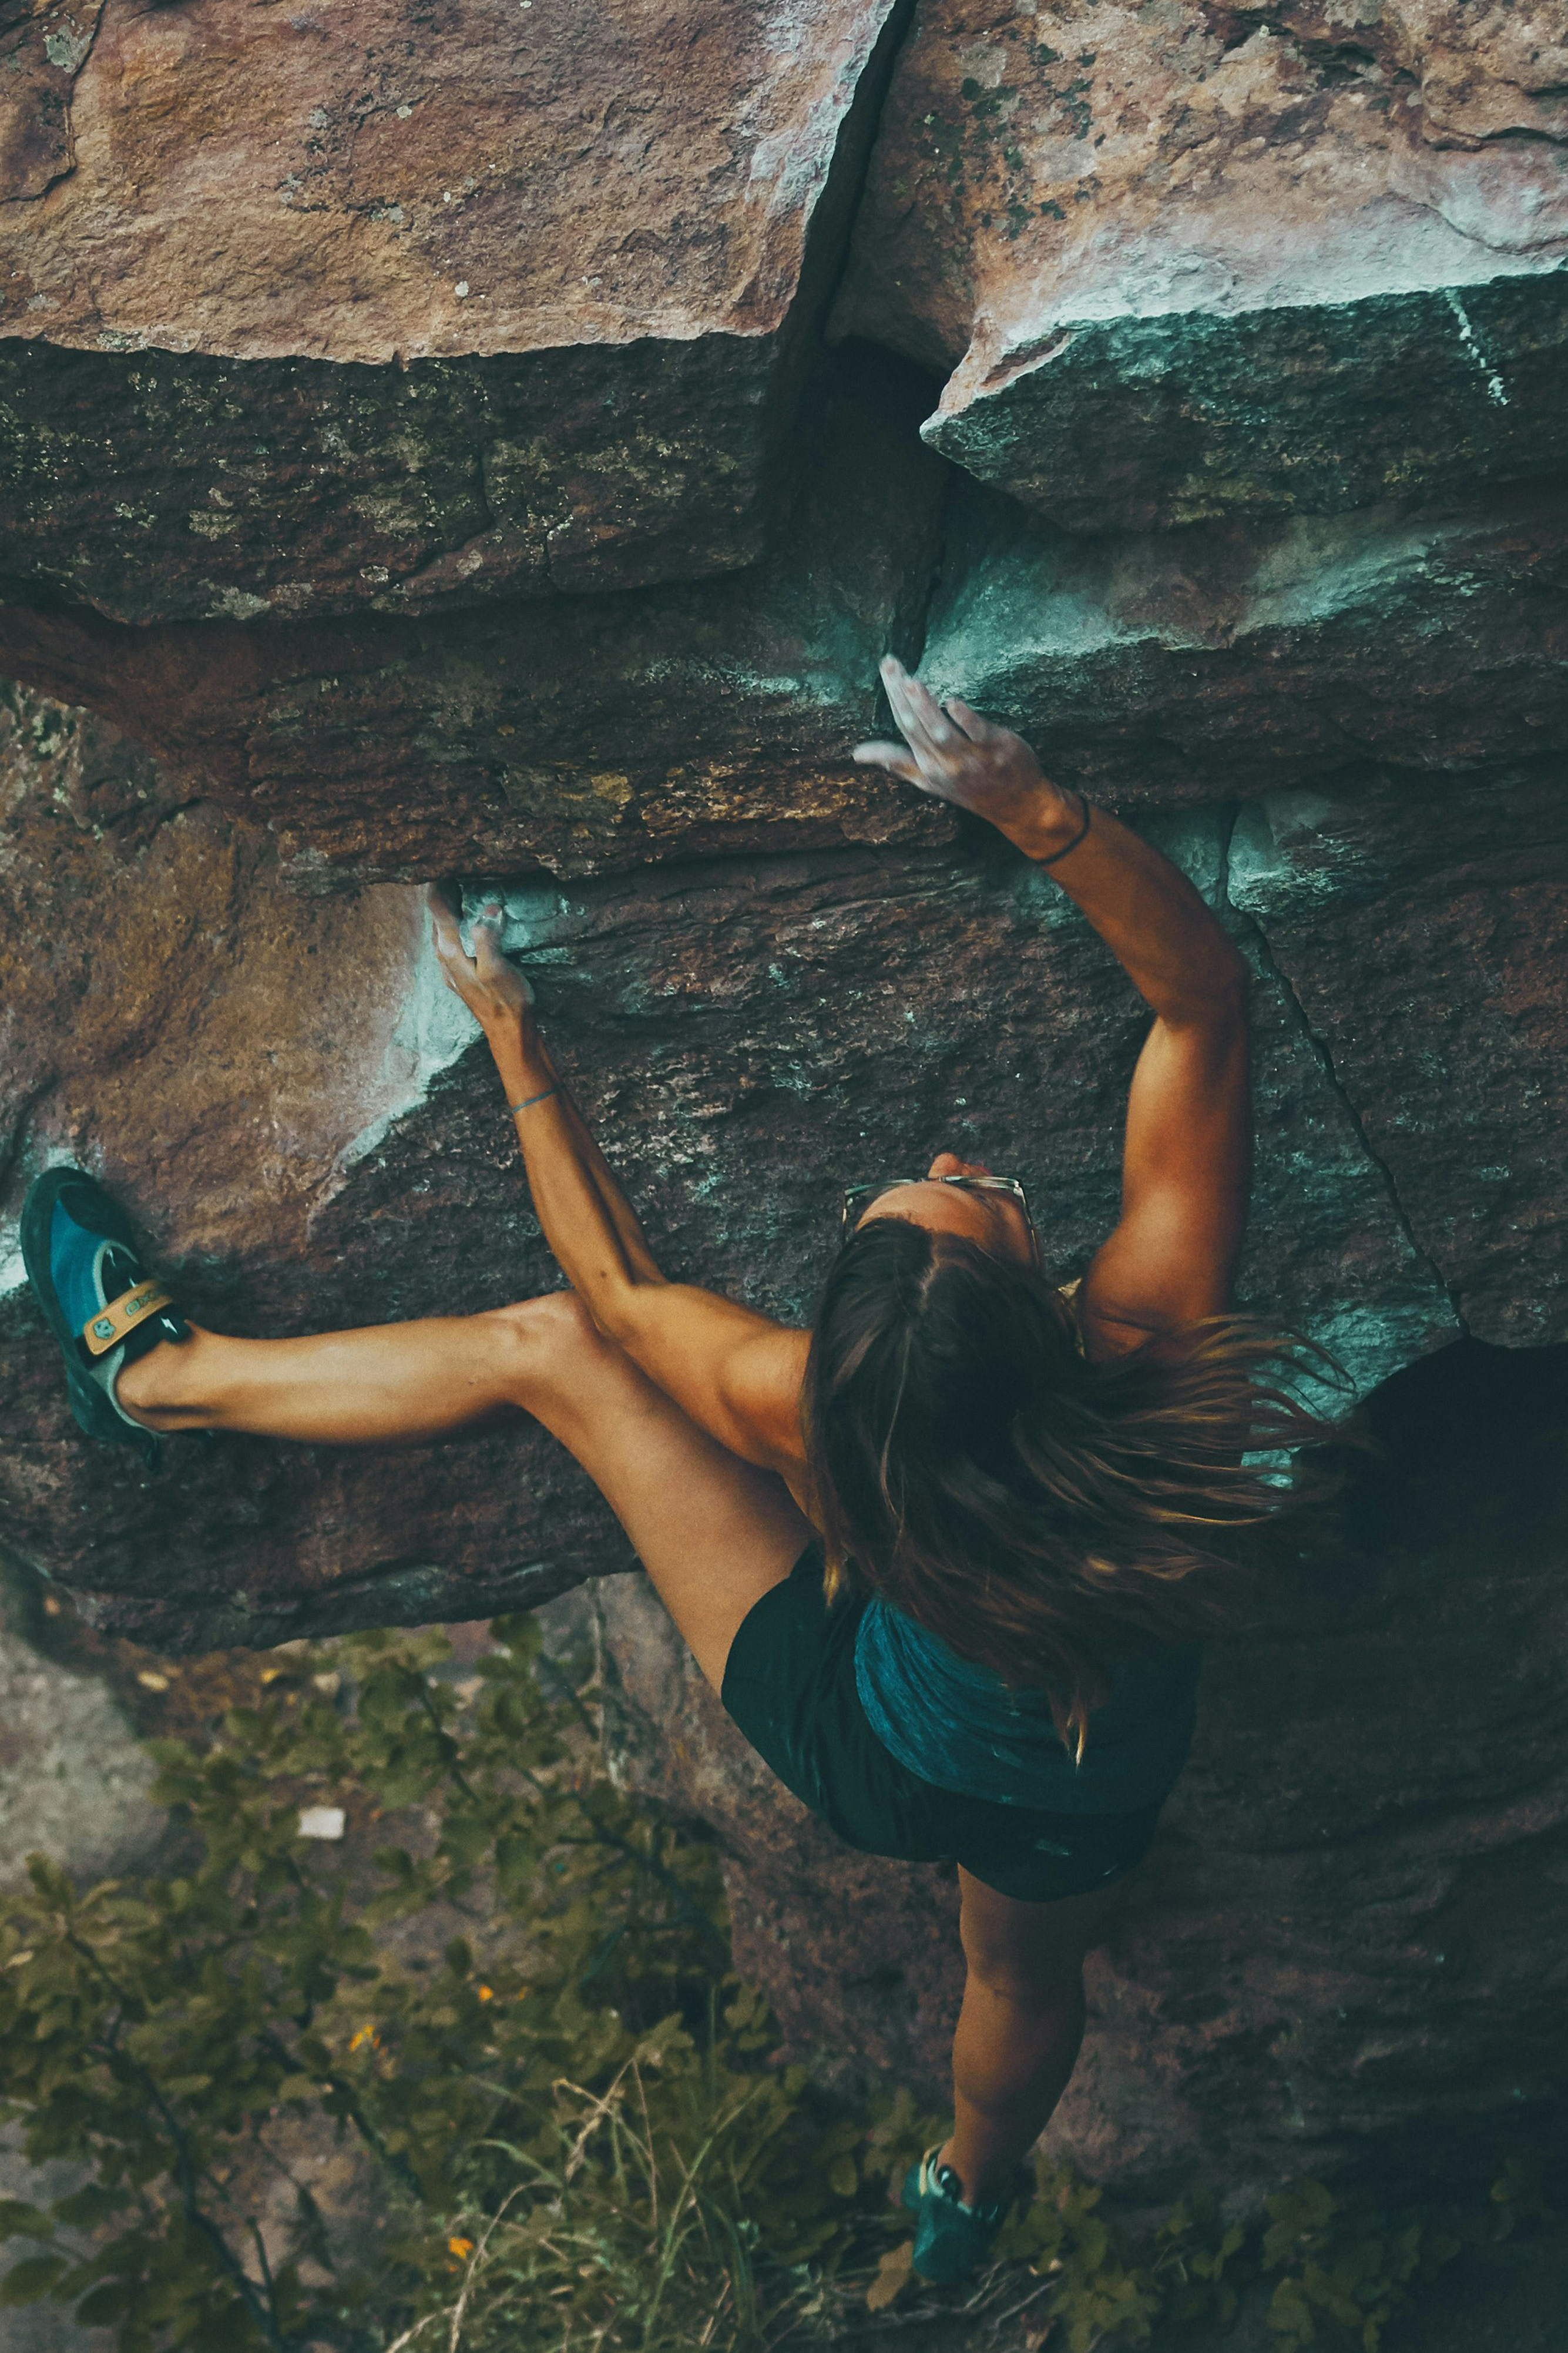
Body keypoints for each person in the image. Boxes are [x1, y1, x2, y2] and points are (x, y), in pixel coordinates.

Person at [24, 658, 1319, 2287]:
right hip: (1066, 1780)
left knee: (554, 1352)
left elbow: (617, 1305)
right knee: (1022, 1983)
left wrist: (512, 1038)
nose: (945, 1160)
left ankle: (162, 1379)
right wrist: (1032, 807)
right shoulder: (1154, 1366)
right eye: (962, 1188)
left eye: (948, 1189)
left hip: (867, 1740)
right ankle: (964, 2206)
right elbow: (1201, 1001)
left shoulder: (810, 1412)